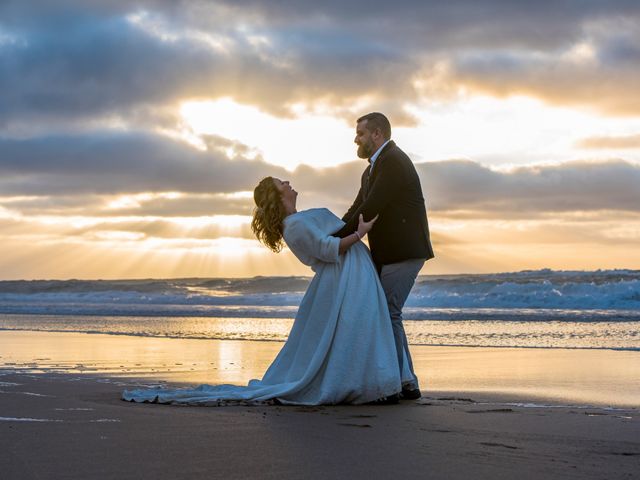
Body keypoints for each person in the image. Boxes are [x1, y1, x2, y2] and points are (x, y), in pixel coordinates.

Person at [122, 176, 402, 405]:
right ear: (277, 196)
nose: (288, 182)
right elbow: (328, 249)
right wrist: (360, 232)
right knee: (358, 325)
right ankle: (368, 383)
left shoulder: (297, 220)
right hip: (344, 275)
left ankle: (372, 381)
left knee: (359, 327)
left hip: (351, 271)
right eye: (282, 183)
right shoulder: (293, 226)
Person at [334, 112, 434, 400]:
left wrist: (334, 240)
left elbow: (371, 207)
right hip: (390, 253)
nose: (356, 138)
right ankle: (403, 381)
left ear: (377, 134)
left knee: (389, 313)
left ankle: (403, 383)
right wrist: (332, 235)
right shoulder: (371, 170)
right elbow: (357, 208)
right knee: (387, 314)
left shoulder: (393, 161)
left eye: (361, 133)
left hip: (404, 251)